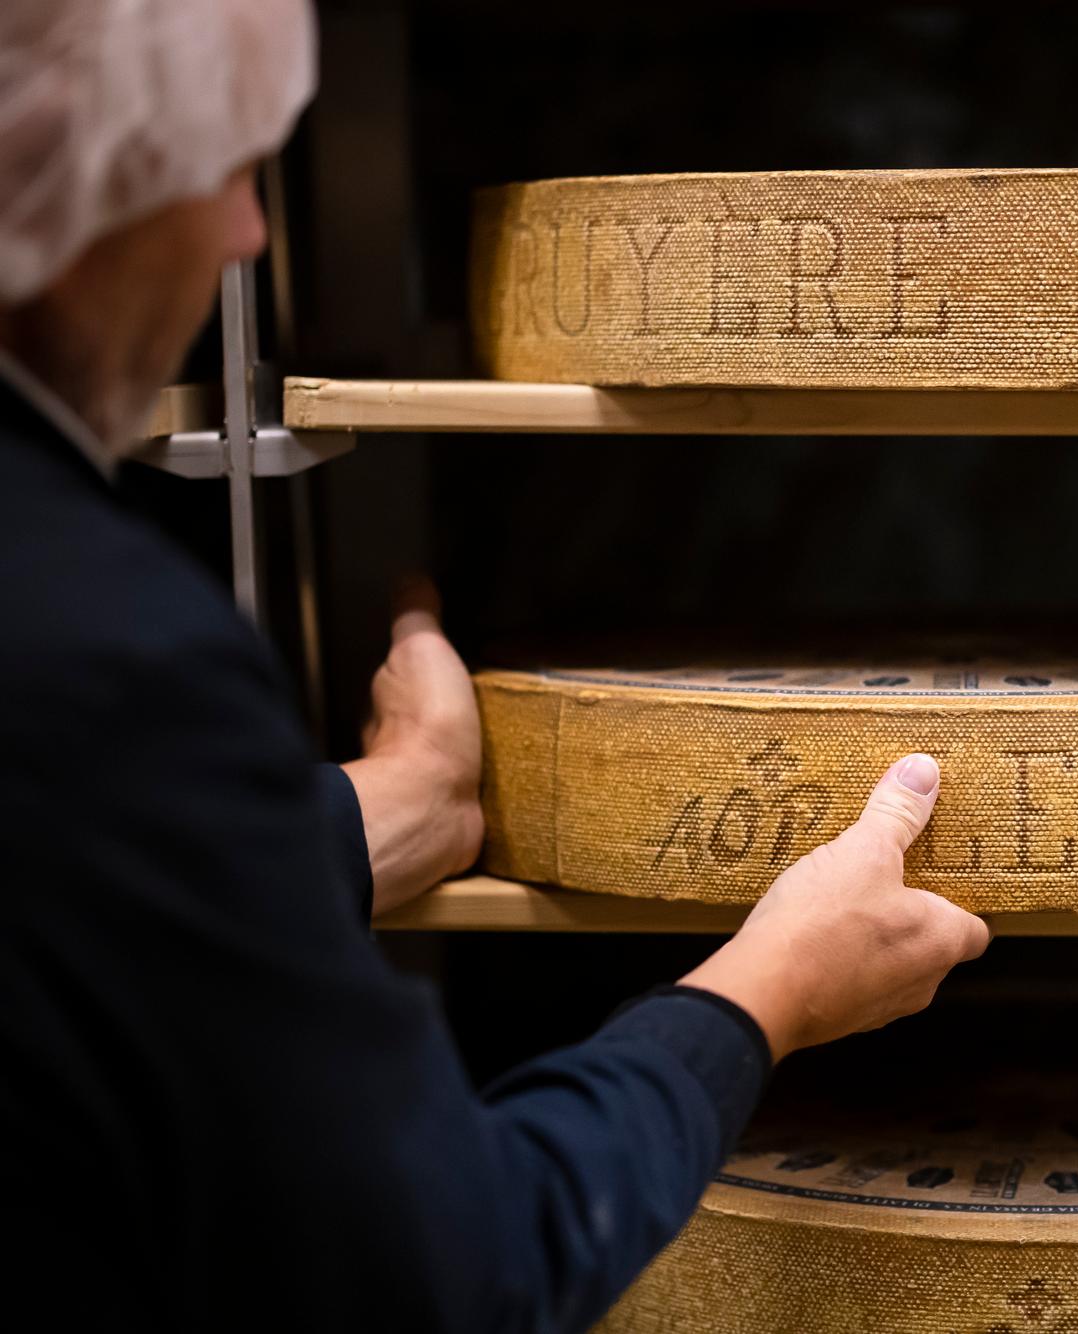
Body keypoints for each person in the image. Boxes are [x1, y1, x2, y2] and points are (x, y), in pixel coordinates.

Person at [0, 3, 989, 1330]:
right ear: (81, 195)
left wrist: (399, 800)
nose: (250, 234)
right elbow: (458, 1269)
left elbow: (59, 861)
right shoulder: (113, 645)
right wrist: (765, 990)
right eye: (229, 171)